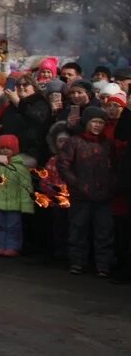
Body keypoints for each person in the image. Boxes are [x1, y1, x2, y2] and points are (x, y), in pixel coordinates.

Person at [59, 106, 116, 277]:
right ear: (86, 122)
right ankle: (77, 262)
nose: (97, 126)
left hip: (104, 195)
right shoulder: (75, 141)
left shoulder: (108, 144)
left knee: (104, 231)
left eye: (101, 122)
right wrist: (76, 183)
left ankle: (103, 265)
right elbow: (63, 165)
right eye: (94, 122)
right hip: (80, 194)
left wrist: (112, 186)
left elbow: (115, 167)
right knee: (78, 229)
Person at [0, 133, 35, 258]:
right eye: (2, 147)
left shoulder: (21, 167)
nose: (5, 150)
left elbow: (26, 188)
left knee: (13, 227)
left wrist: (27, 206)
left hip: (14, 203)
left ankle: (13, 246)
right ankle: (2, 245)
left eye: (8, 148)